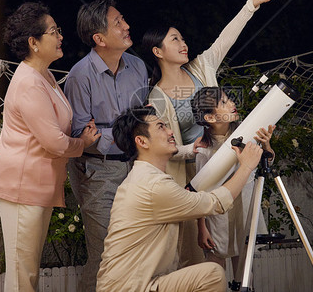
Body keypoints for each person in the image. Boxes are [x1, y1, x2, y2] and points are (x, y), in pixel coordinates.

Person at [143, 0, 274, 265]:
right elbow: (164, 148)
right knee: (208, 250)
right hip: (194, 177)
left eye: (182, 37)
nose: (183, 43)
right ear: (157, 51)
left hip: (230, 160)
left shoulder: (201, 68)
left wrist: (251, 5)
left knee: (242, 238)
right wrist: (196, 150)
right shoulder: (156, 98)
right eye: (174, 39)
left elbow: (225, 38)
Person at [0, 2, 100, 291]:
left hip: (37, 186)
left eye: (58, 30)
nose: (60, 36)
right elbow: (54, 142)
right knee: (21, 275)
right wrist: (83, 143)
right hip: (21, 186)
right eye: (54, 31)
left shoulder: (45, 76)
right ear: (33, 43)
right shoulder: (29, 83)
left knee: (28, 272)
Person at [96, 105, 264, 292]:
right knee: (212, 274)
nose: (170, 131)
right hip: (130, 287)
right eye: (161, 127)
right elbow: (214, 203)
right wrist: (246, 166)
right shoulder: (153, 185)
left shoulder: (145, 178)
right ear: (142, 141)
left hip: (140, 283)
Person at [64, 0, 149, 291]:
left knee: (136, 254)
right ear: (99, 38)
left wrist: (118, 134)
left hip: (137, 169)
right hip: (97, 172)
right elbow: (82, 137)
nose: (127, 26)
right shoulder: (79, 75)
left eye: (123, 19)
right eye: (118, 23)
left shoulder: (138, 67)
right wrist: (131, 136)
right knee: (104, 256)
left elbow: (143, 118)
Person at [191, 86, 275, 285]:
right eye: (224, 103)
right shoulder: (204, 150)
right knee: (214, 272)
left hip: (245, 209)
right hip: (218, 217)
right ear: (210, 118)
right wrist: (201, 228)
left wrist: (266, 146)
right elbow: (199, 192)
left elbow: (266, 163)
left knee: (245, 274)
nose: (232, 104)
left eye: (230, 99)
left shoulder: (247, 135)